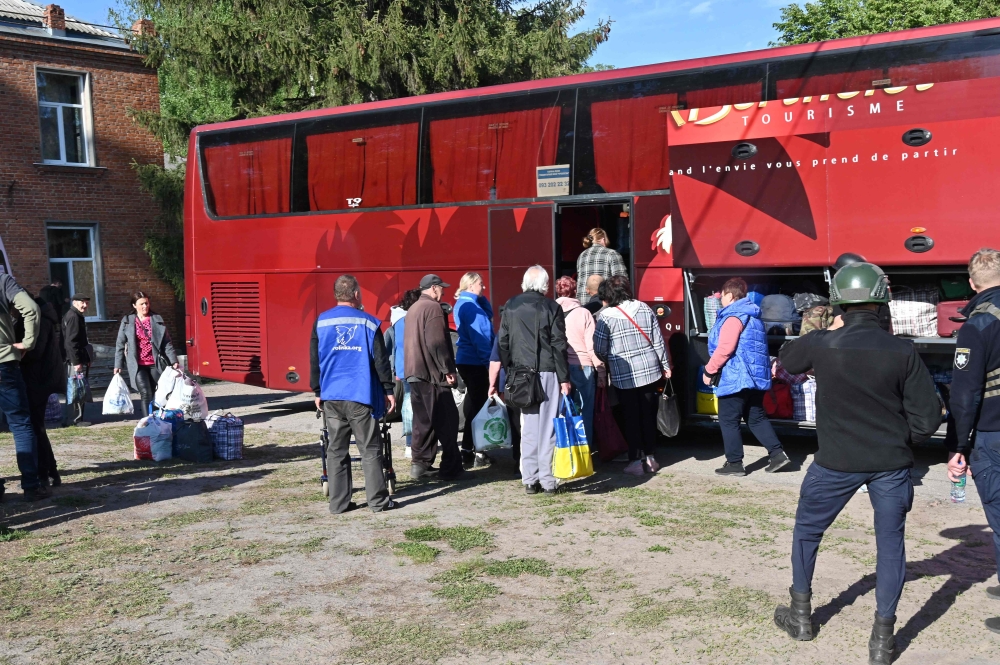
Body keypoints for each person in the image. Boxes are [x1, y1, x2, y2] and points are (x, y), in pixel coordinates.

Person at [774, 261, 940, 664]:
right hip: (890, 463)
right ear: (881, 303)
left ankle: (800, 617)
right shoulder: (902, 350)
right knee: (890, 546)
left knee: (807, 532)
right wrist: (899, 440)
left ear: (838, 304)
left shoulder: (822, 343)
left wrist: (825, 329)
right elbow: (928, 419)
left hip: (835, 461)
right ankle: (882, 641)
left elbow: (787, 360)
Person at [945, 248, 1000, 634]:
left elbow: (965, 395)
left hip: (994, 433)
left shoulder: (979, 324)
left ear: (972, 283)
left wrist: (958, 446)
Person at [309, 275, 397, 514]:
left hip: (332, 396)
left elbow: (315, 360)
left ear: (336, 294)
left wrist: (317, 390)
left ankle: (339, 504)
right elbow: (381, 361)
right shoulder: (369, 323)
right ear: (356, 294)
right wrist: (388, 390)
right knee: (370, 449)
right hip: (360, 395)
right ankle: (378, 502)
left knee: (336, 450)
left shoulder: (321, 322)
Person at [703, 278, 791, 476]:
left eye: (722, 295)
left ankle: (734, 463)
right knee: (756, 418)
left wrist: (709, 371)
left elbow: (725, 349)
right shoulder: (754, 317)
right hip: (755, 378)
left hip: (736, 377)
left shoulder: (734, 317)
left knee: (728, 420)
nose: (720, 299)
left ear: (730, 296)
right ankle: (778, 455)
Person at [498, 266, 571, 494]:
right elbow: (558, 344)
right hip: (548, 372)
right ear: (545, 284)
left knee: (528, 427)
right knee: (548, 427)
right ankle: (548, 481)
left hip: (521, 373)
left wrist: (510, 370)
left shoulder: (510, 305)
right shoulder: (552, 307)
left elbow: (503, 342)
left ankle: (530, 479)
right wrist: (564, 378)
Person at [593, 275, 670, 476]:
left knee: (631, 417)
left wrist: (610, 359)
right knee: (648, 415)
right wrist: (665, 364)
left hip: (623, 374)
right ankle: (651, 458)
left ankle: (636, 461)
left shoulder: (606, 316)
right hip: (650, 371)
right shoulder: (644, 308)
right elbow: (658, 340)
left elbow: (599, 348)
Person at [404, 274, 463, 481]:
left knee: (423, 422)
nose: (443, 292)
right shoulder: (433, 308)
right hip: (431, 374)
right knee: (448, 420)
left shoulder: (413, 308)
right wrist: (448, 370)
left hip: (414, 374)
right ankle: (451, 468)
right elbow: (437, 343)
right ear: (434, 288)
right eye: (441, 288)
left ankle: (419, 465)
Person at [0, 272, 46, 502]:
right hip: (4, 363)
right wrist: (28, 342)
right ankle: (31, 486)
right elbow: (31, 308)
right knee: (20, 424)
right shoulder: (2, 280)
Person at [20, 294, 64, 489]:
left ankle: (44, 474)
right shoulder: (44, 318)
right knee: (37, 428)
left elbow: (35, 351)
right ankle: (51, 473)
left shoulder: (39, 320)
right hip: (40, 379)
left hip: (37, 380)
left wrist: (14, 347)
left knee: (35, 429)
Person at [554, 275, 604, 447]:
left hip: (560, 367)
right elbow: (592, 346)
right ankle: (584, 449)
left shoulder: (551, 311)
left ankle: (565, 448)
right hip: (584, 366)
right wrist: (601, 370)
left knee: (563, 409)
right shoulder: (584, 313)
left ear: (557, 291)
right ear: (575, 291)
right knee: (585, 411)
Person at [114, 292, 180, 417]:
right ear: (134, 305)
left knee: (159, 393)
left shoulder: (156, 319)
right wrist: (118, 364)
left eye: (147, 303)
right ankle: (147, 421)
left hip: (155, 363)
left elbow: (166, 342)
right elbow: (120, 344)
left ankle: (159, 419)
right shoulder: (127, 321)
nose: (145, 306)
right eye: (141, 304)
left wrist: (174, 360)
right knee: (145, 393)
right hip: (137, 365)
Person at [453, 272, 495, 467]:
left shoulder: (466, 303)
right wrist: (489, 364)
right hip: (475, 361)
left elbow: (489, 314)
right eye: (480, 284)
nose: (484, 287)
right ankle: (471, 450)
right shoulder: (471, 307)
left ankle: (471, 449)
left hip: (467, 360)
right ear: (471, 285)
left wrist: (481, 297)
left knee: (474, 403)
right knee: (478, 407)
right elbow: (481, 337)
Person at [389, 288, 422, 459]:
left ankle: (410, 444)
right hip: (416, 368)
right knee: (417, 406)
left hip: (403, 369)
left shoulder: (397, 320)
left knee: (409, 406)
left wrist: (396, 369)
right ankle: (414, 443)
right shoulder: (411, 319)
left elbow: (396, 347)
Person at [488, 333, 521, 463]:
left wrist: (492, 385)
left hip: (510, 382)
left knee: (515, 423)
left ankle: (518, 461)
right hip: (535, 381)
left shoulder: (503, 332)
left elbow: (495, 361)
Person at [62, 294, 92, 427]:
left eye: (87, 303)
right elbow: (71, 342)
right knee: (75, 389)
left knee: (76, 388)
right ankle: (74, 420)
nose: (85, 305)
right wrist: (76, 362)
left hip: (75, 359)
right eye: (82, 302)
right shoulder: (73, 317)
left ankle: (74, 419)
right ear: (74, 302)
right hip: (73, 360)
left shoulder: (75, 315)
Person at [576, 228, 627, 303]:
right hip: (604, 301)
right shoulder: (611, 254)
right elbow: (621, 280)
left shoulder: (581, 256)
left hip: (583, 301)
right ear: (603, 239)